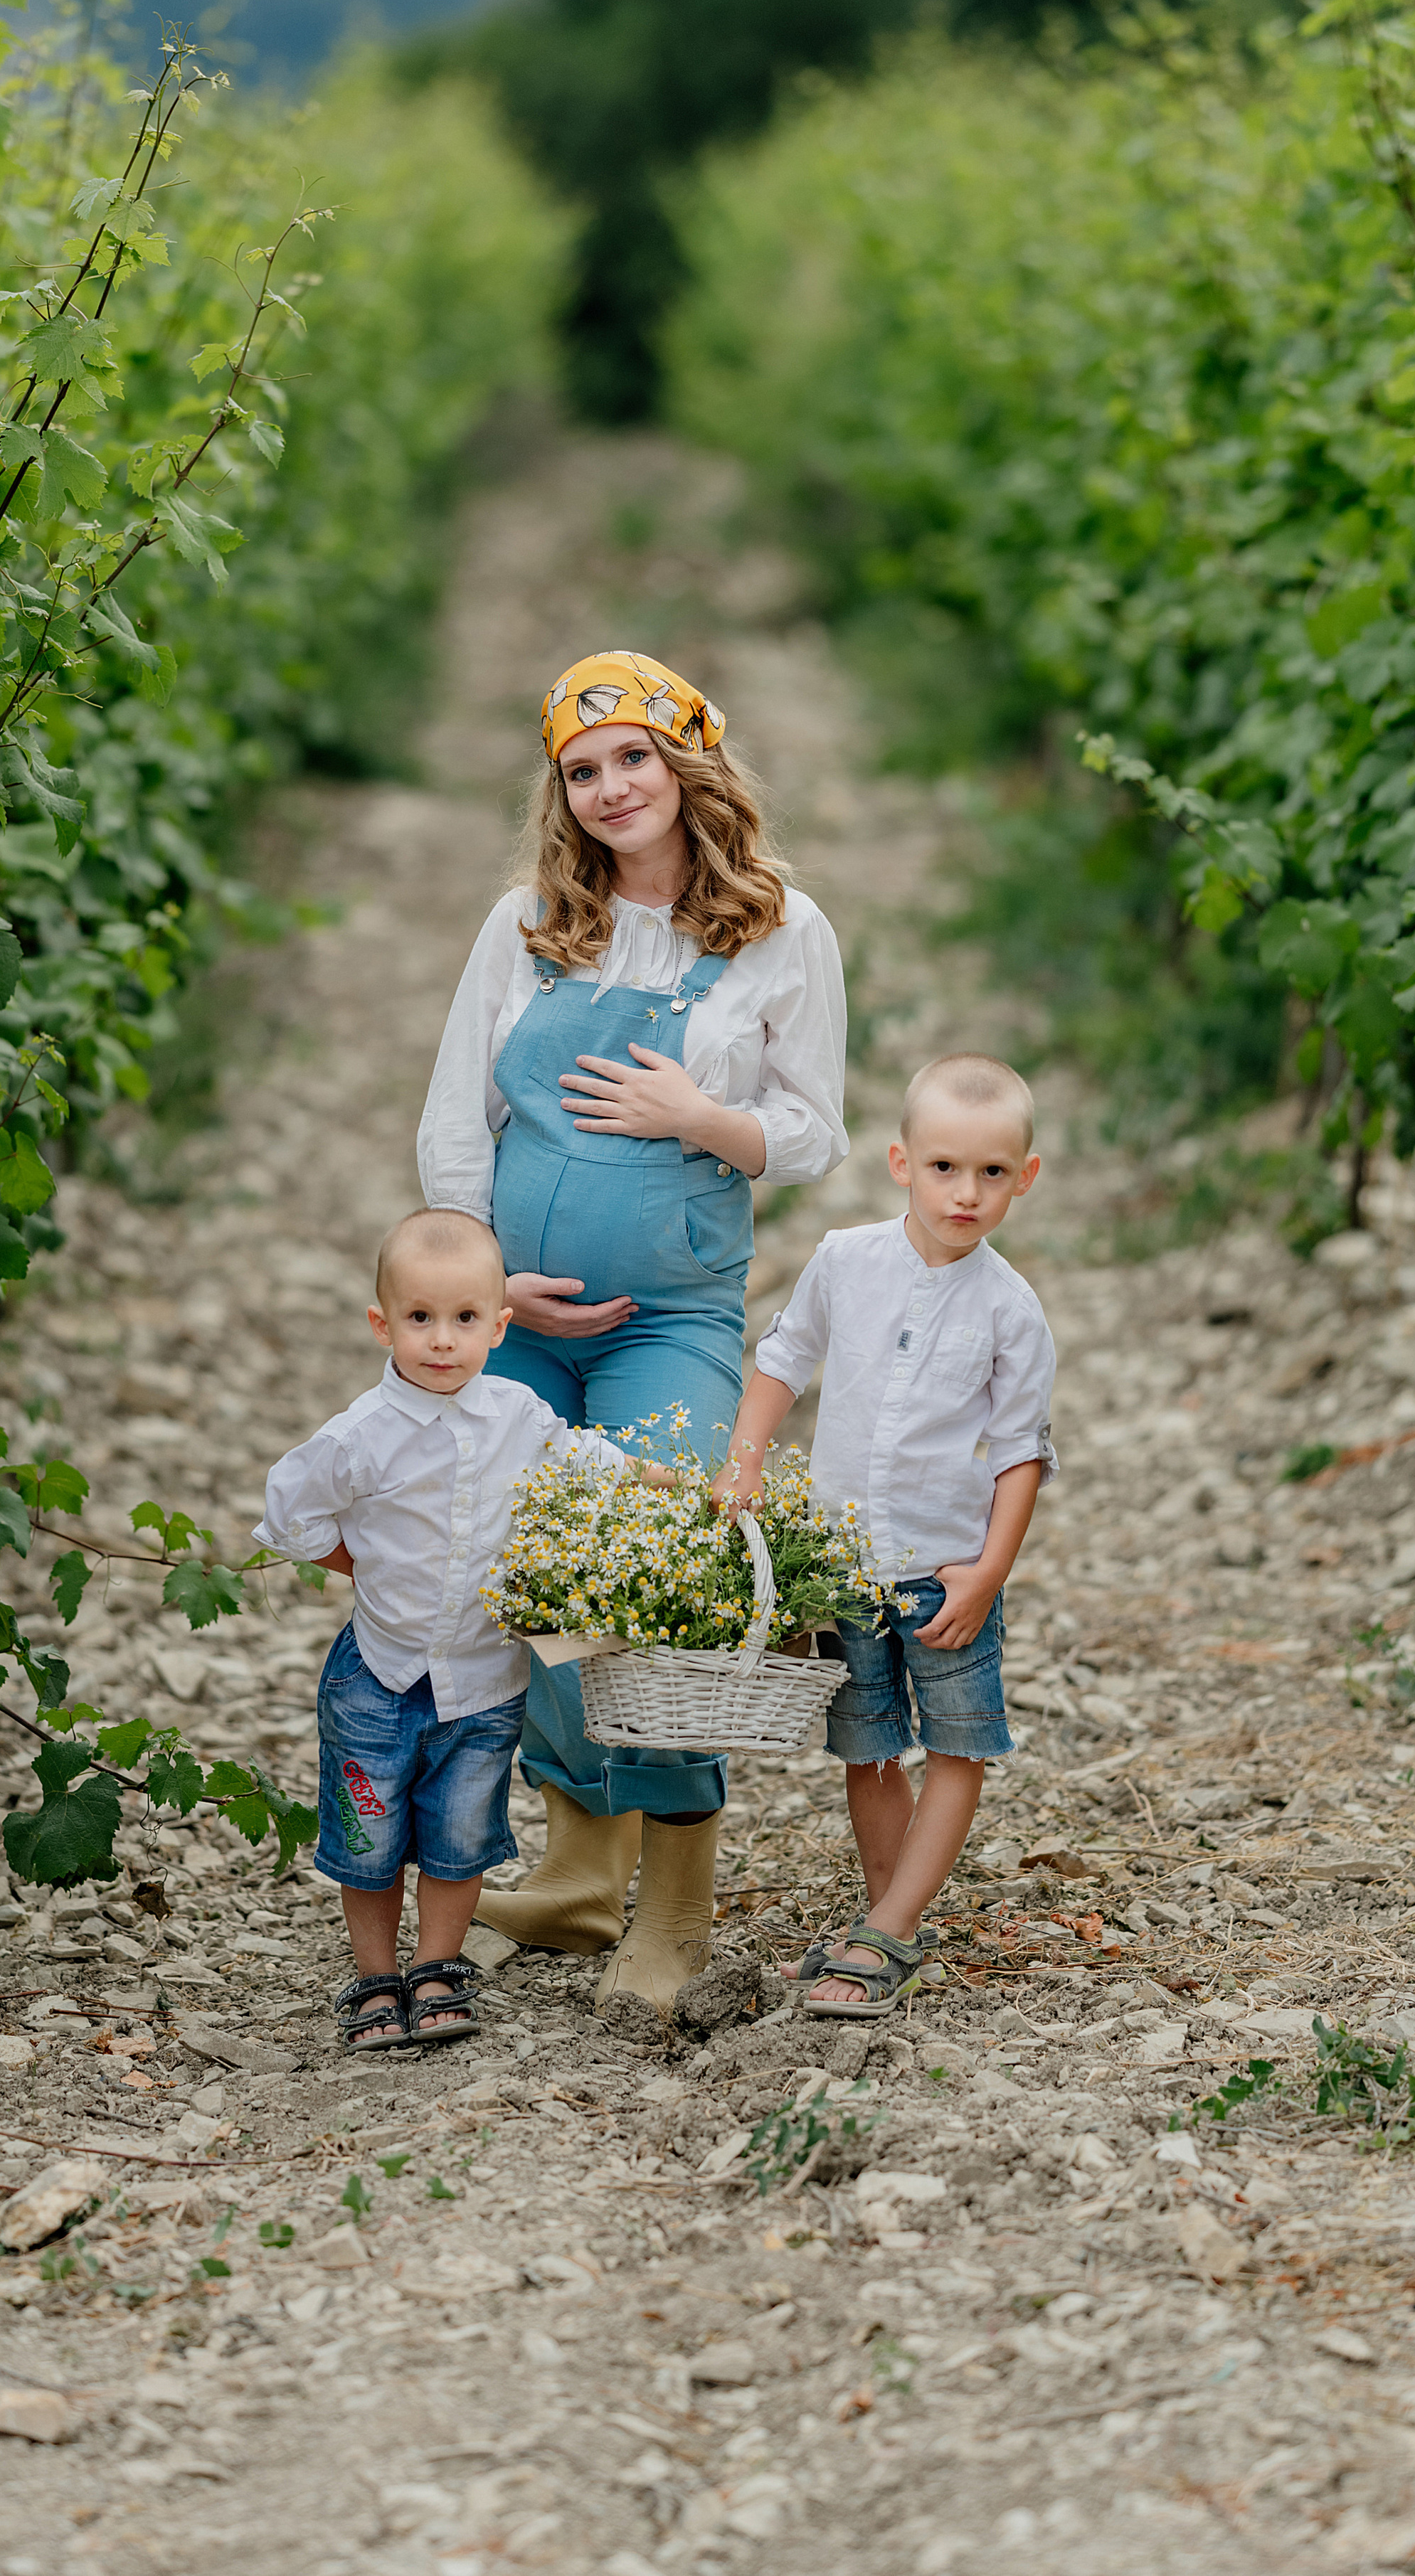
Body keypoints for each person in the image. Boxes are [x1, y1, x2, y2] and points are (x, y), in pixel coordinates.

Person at [418, 649, 848, 2013]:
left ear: (689, 766)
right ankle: (575, 1870)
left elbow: (817, 1133)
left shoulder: (782, 931)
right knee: (515, 1568)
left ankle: (672, 1908)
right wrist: (491, 1289)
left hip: (670, 1312)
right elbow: (453, 1123)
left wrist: (700, 1120)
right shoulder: (528, 925)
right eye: (581, 770)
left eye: (633, 759)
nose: (609, 788)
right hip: (525, 1323)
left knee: (660, 1577)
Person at [252, 1208, 669, 2049]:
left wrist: (677, 1485)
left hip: (482, 1683)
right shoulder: (359, 1435)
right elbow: (289, 1513)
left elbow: (591, 1462)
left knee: (458, 1836)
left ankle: (436, 1968)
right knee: (369, 1839)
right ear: (383, 1324)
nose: (442, 1341)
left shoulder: (516, 1414)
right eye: (420, 1319)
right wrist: (363, 1567)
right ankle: (373, 1977)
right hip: (379, 1675)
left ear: (499, 1325)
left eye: (465, 1319)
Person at [712, 1053, 1058, 2017]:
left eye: (994, 1173)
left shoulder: (1010, 1310)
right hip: (844, 1565)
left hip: (941, 1570)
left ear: (1024, 1179)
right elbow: (783, 1360)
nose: (967, 1192)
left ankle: (893, 1929)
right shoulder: (845, 1259)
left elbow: (1020, 1454)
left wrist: (988, 1573)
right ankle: (884, 1926)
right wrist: (745, 1458)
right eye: (946, 1167)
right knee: (868, 1747)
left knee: (956, 1747)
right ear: (902, 1162)